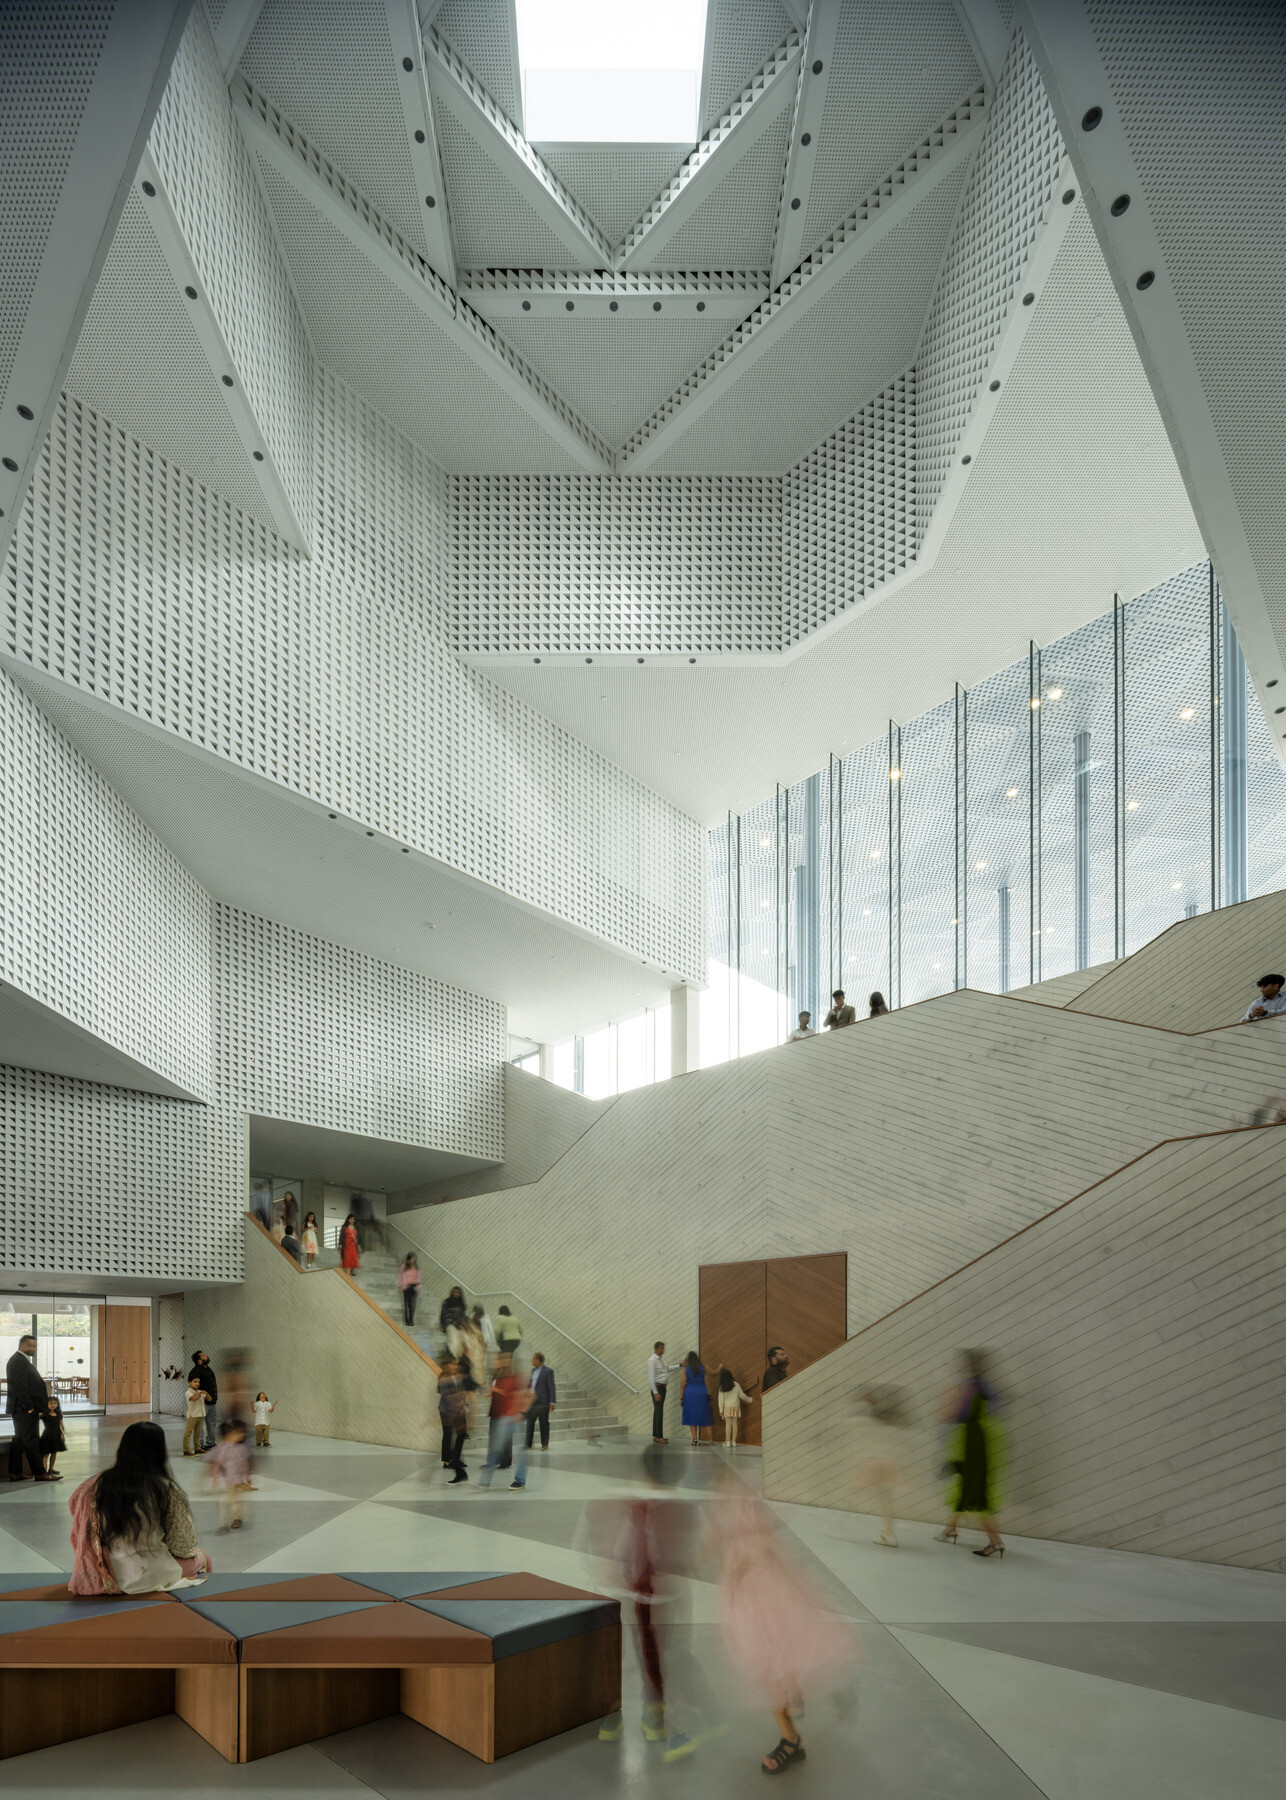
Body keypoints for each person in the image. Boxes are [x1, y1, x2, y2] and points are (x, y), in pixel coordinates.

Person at [714, 1496, 857, 1774]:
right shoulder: (736, 1505)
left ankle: (791, 1740)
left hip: (764, 1596)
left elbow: (759, 1548)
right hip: (758, 1596)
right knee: (774, 1659)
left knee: (769, 1665)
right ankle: (794, 1696)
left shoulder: (742, 1503)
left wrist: (738, 1568)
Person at [69, 1420, 211, 1593]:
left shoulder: (95, 1485)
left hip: (107, 1572)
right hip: (151, 1575)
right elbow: (181, 1545)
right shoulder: (166, 1488)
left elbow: (75, 1508)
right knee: (202, 1557)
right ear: (159, 1451)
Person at [936, 1349, 1005, 1557]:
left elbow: (950, 1414)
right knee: (964, 1492)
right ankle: (950, 1529)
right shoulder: (986, 1387)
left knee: (974, 1496)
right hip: (981, 1444)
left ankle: (996, 1541)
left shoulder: (969, 1388)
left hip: (970, 1445)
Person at [854, 1386, 909, 1547]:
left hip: (875, 1462)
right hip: (885, 1462)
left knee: (875, 1496)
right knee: (883, 1498)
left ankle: (889, 1534)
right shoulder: (890, 1421)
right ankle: (888, 1532)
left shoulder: (871, 1420)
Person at [5, 1333, 53, 1482]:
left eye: (34, 1346)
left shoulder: (20, 1360)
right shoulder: (18, 1361)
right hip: (24, 1409)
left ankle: (15, 1472)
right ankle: (40, 1473)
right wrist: (29, 1407)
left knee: (19, 1440)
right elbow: (19, 1386)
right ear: (21, 1345)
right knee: (31, 1440)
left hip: (21, 1408)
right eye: (30, 1345)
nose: (33, 1348)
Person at [478, 1353, 527, 1489]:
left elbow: (519, 1395)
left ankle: (520, 1480)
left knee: (519, 1451)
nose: (498, 1362)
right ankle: (485, 1481)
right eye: (499, 1360)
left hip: (511, 1417)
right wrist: (492, 1392)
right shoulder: (497, 1376)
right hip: (499, 1416)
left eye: (503, 1360)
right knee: (495, 1448)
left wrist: (518, 1411)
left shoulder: (515, 1377)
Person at [207, 1419, 252, 1533]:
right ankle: (223, 1524)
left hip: (237, 1480)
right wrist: (213, 1477)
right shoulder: (220, 1449)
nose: (240, 1436)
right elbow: (216, 1463)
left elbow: (244, 1462)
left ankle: (237, 1518)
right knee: (223, 1502)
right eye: (236, 1434)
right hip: (226, 1481)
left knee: (236, 1501)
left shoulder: (240, 1448)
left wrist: (247, 1476)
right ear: (228, 1435)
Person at [437, 1356, 468, 1482]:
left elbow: (461, 1391)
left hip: (458, 1410)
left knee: (460, 1435)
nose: (455, 1366)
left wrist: (463, 1401)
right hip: (447, 1411)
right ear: (447, 1365)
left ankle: (456, 1459)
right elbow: (447, 1396)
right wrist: (459, 1404)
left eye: (456, 1364)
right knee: (448, 1434)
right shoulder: (443, 1378)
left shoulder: (456, 1377)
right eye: (453, 1364)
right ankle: (447, 1461)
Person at [648, 1341, 682, 1443]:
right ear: (656, 1349)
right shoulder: (652, 1360)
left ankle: (656, 1435)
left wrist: (680, 1365)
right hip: (657, 1388)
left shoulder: (661, 1359)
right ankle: (658, 1436)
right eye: (661, 1349)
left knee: (659, 1412)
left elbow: (668, 1369)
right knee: (659, 1412)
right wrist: (655, 1392)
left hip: (663, 1388)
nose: (663, 1351)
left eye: (663, 1349)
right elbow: (651, 1378)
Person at [679, 1350, 712, 1446]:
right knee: (705, 1415)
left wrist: (681, 1398)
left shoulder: (686, 1370)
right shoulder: (703, 1367)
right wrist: (719, 1368)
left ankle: (695, 1438)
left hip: (690, 1393)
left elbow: (682, 1384)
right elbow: (713, 1373)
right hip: (702, 1392)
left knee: (692, 1416)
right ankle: (710, 1439)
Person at [526, 1352, 556, 1450]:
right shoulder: (533, 1371)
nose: (532, 1360)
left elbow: (551, 1387)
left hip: (543, 1402)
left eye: (533, 1359)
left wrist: (552, 1402)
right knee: (530, 1423)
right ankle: (528, 1443)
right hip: (532, 1402)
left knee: (544, 1424)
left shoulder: (548, 1371)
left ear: (538, 1360)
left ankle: (545, 1444)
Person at [717, 1366, 753, 1449]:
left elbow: (720, 1399)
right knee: (734, 1424)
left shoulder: (722, 1386)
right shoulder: (736, 1384)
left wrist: (721, 1410)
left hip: (727, 1407)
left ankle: (728, 1442)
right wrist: (750, 1399)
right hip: (735, 1406)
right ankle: (734, 1442)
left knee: (728, 1424)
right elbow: (741, 1395)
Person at [189, 1351, 218, 1451]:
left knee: (211, 1424)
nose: (207, 1355)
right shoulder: (195, 1371)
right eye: (203, 1355)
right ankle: (199, 1445)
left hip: (212, 1402)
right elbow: (192, 1387)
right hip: (201, 1403)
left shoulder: (208, 1368)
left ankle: (210, 1443)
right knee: (199, 1425)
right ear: (199, 1360)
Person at [182, 1374, 211, 1456]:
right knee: (188, 1433)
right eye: (195, 1382)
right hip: (192, 1416)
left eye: (198, 1382)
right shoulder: (188, 1392)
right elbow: (194, 1398)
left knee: (197, 1433)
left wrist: (206, 1393)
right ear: (189, 1383)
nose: (197, 1383)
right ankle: (186, 1450)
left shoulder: (200, 1392)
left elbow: (209, 1399)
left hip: (200, 1415)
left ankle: (197, 1448)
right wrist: (200, 1393)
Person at [40, 1393, 66, 1476]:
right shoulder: (44, 1415)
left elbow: (61, 1425)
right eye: (51, 1403)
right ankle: (44, 1471)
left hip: (56, 1435)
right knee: (46, 1454)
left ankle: (51, 1469)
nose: (53, 1405)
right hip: (47, 1436)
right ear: (47, 1404)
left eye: (55, 1403)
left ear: (57, 1404)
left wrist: (62, 1434)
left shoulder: (58, 1414)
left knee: (54, 1453)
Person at [439, 1286, 467, 1358]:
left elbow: (463, 1316)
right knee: (452, 1336)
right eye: (454, 1292)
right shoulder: (446, 1302)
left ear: (460, 1294)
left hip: (459, 1324)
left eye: (457, 1292)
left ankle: (457, 1356)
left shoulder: (462, 1305)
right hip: (449, 1323)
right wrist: (441, 1324)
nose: (455, 1293)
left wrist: (463, 1325)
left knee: (462, 1338)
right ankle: (452, 1354)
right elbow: (442, 1314)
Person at [397, 1253, 422, 1327]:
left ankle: (411, 1319)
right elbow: (400, 1276)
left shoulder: (416, 1267)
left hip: (414, 1286)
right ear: (409, 1259)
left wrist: (419, 1287)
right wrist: (400, 1285)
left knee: (413, 1304)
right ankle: (407, 1320)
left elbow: (418, 1277)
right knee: (407, 1304)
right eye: (412, 1258)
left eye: (414, 1259)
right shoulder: (403, 1267)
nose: (413, 1260)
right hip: (406, 1287)